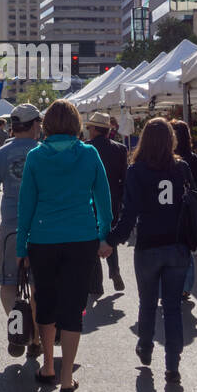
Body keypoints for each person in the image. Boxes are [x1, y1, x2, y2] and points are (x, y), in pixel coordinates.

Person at [16, 99, 113, 392]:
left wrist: (22, 247)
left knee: (46, 303)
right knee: (73, 305)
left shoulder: (35, 157)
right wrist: (104, 235)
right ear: (76, 124)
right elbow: (103, 201)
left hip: (43, 238)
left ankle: (47, 366)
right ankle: (67, 375)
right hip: (81, 238)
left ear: (46, 125)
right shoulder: (89, 154)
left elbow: (26, 206)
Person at [107, 118, 194, 384]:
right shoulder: (182, 168)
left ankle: (145, 346)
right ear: (171, 140)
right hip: (177, 245)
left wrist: (112, 239)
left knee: (147, 303)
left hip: (148, 246)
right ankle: (172, 365)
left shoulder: (137, 170)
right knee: (172, 308)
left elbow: (129, 212)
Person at [0, 104, 44, 359]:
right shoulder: (43, 152)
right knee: (38, 284)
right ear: (34, 125)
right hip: (41, 227)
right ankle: (38, 335)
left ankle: (18, 324)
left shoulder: (0, 154)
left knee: (8, 282)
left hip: (10, 226)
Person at [85, 111, 128, 297]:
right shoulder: (120, 149)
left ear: (94, 129)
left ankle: (96, 284)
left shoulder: (86, 148)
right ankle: (114, 270)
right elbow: (124, 177)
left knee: (92, 237)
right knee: (110, 234)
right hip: (113, 198)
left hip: (91, 197)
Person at [172, 120, 197, 302]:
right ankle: (186, 287)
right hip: (188, 211)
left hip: (175, 211)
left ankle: (181, 286)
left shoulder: (169, 159)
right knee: (186, 249)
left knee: (179, 249)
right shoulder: (192, 158)